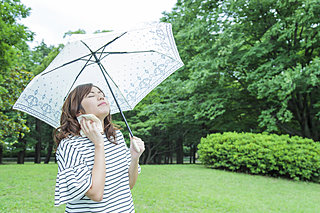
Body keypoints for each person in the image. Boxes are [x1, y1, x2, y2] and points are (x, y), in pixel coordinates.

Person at [54, 83, 145, 212]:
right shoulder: (70, 145)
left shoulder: (115, 136)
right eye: (91, 95)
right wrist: (99, 144)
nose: (101, 98)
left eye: (102, 95)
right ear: (78, 111)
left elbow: (128, 184)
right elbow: (96, 194)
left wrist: (135, 158)